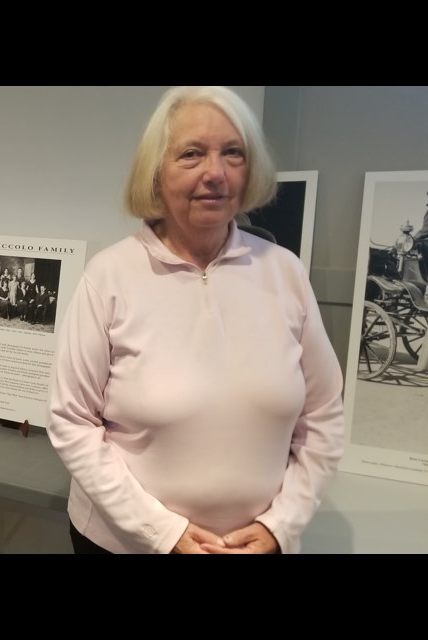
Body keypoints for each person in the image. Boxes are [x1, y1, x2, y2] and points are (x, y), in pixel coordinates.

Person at [48, 86, 344, 554]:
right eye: (191, 154)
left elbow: (324, 415)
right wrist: (162, 533)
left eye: (233, 153)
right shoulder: (109, 277)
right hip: (127, 545)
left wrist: (281, 525)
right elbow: (72, 421)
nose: (216, 173)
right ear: (155, 172)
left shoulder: (285, 272)